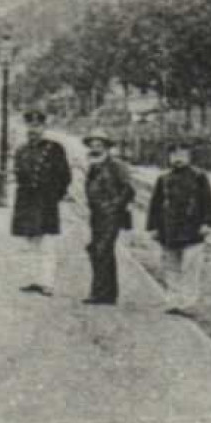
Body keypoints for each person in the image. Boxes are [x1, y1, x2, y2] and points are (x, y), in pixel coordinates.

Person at [145, 140, 211, 316]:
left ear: (189, 157)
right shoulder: (164, 178)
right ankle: (173, 300)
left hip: (192, 229)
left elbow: (208, 202)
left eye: (182, 155)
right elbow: (155, 204)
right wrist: (153, 227)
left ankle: (188, 302)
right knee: (171, 265)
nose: (178, 159)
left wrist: (207, 223)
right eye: (174, 155)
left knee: (190, 266)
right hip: (169, 229)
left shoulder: (199, 177)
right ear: (169, 157)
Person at [11, 109, 72, 295]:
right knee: (30, 243)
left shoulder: (55, 149)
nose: (33, 130)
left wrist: (55, 196)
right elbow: (20, 175)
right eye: (30, 125)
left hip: (46, 201)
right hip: (27, 201)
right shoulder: (21, 150)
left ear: (44, 127)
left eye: (37, 126)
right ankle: (33, 280)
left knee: (47, 244)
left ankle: (47, 282)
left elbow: (65, 176)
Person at [80, 131, 136, 305]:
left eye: (99, 145)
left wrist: (113, 207)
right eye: (92, 145)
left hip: (111, 216)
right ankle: (107, 293)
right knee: (99, 251)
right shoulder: (94, 166)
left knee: (101, 250)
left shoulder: (115, 165)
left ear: (106, 147)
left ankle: (100, 293)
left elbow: (128, 190)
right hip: (97, 216)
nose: (95, 148)